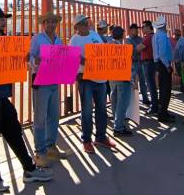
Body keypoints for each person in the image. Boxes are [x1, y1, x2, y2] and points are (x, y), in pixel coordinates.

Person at [0, 8, 52, 191]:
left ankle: (29, 169)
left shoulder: (9, 43)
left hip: (2, 95)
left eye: (5, 19)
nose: (4, 22)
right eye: (0, 19)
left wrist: (27, 60)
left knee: (14, 132)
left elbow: (20, 66)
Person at [29, 11, 72, 168]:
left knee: (53, 115)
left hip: (54, 80)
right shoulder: (37, 39)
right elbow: (29, 57)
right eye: (48, 22)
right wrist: (36, 60)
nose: (51, 24)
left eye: (53, 22)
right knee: (40, 117)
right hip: (41, 81)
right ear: (44, 24)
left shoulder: (59, 40)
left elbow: (63, 59)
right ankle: (40, 152)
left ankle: (51, 147)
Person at [69, 14, 116, 154]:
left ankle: (101, 137)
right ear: (76, 26)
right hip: (85, 79)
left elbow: (103, 53)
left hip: (100, 78)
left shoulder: (95, 35)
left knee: (101, 109)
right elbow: (71, 60)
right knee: (87, 111)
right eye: (82, 23)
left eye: (86, 21)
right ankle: (86, 140)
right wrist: (81, 61)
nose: (86, 23)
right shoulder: (74, 41)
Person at [109, 26, 134, 137]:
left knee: (115, 101)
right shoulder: (120, 47)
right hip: (122, 77)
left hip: (112, 77)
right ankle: (118, 127)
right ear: (122, 34)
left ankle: (117, 123)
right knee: (122, 103)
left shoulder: (109, 45)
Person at [152, 16, 176, 123]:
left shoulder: (156, 35)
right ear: (164, 25)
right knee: (166, 90)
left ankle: (163, 112)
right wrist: (167, 65)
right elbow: (162, 53)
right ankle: (163, 114)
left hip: (160, 64)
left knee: (163, 89)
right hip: (163, 64)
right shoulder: (161, 36)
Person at [127, 23, 150, 105]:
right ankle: (134, 102)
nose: (137, 30)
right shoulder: (128, 40)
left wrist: (137, 49)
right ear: (130, 30)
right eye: (135, 29)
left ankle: (145, 99)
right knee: (133, 83)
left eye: (137, 29)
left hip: (141, 62)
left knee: (143, 82)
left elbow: (142, 49)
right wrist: (138, 49)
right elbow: (131, 51)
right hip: (133, 64)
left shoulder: (140, 38)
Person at [140, 20, 157, 112]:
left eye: (143, 27)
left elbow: (139, 48)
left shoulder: (148, 38)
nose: (142, 29)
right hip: (151, 62)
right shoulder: (152, 37)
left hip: (148, 63)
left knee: (151, 85)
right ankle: (155, 104)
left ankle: (154, 106)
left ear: (148, 27)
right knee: (152, 84)